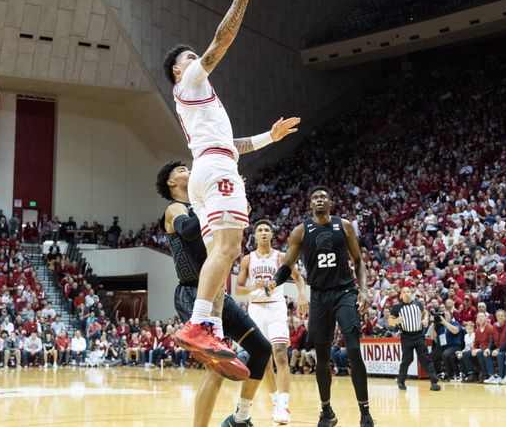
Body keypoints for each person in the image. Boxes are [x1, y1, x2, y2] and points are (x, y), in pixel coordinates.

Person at [164, 0, 281, 365]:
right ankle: (198, 322)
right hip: (215, 169)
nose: (197, 61)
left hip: (208, 167)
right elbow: (221, 41)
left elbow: (235, 146)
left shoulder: (200, 109)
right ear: (178, 71)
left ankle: (210, 326)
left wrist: (270, 136)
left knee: (222, 252)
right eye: (188, 59)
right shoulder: (191, 82)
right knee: (230, 247)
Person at [157, 161, 273, 427]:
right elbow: (188, 230)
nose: (188, 170)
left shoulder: (204, 207)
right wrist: (216, 202)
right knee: (216, 367)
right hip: (193, 293)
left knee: (262, 349)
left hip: (219, 294)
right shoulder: (175, 209)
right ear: (171, 183)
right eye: (181, 170)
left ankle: (240, 417)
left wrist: (235, 208)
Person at [266, 186, 374, 427]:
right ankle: (327, 412)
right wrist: (272, 283)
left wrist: (364, 290)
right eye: (315, 197)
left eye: (324, 197)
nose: (319, 200)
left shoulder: (344, 226)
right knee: (322, 357)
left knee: (354, 349)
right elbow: (287, 266)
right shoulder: (301, 231)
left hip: (345, 292)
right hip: (319, 296)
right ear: (310, 204)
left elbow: (358, 260)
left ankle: (365, 413)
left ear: (331, 202)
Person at [236, 219, 307, 423]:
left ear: (272, 235)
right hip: (256, 309)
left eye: (267, 230)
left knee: (281, 355)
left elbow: (299, 277)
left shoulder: (281, 257)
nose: (264, 233)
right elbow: (238, 289)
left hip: (275, 307)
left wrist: (302, 294)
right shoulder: (247, 260)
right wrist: (252, 287)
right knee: (262, 360)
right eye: (260, 230)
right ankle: (275, 400)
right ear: (255, 235)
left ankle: (284, 405)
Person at [391, 285, 441, 391]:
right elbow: (390, 321)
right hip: (406, 336)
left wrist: (426, 319)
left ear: (411, 293)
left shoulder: (418, 304)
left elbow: (425, 313)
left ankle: (434, 382)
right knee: (407, 360)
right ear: (401, 295)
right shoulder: (397, 307)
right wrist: (396, 321)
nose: (406, 293)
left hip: (419, 335)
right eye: (404, 292)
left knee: (425, 359)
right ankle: (401, 381)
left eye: (408, 291)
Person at [428, 306, 462, 381]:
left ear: (451, 316)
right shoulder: (439, 326)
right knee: (431, 357)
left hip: (453, 346)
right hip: (442, 347)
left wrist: (444, 322)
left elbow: (455, 331)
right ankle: (438, 373)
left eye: (446, 315)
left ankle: (450, 375)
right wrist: (433, 324)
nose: (444, 316)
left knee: (445, 354)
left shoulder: (455, 323)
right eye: (444, 315)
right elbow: (433, 337)